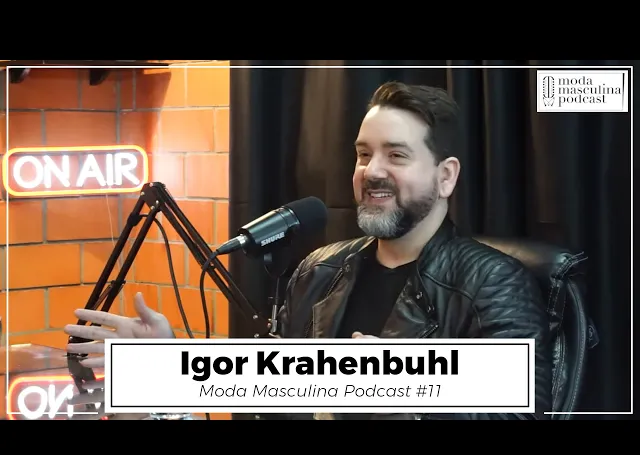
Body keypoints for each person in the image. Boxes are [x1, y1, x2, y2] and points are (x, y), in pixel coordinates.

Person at [64, 81, 553, 420]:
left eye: (396, 155)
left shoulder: (494, 283)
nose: (371, 171)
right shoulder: (320, 270)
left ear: (445, 176)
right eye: (363, 154)